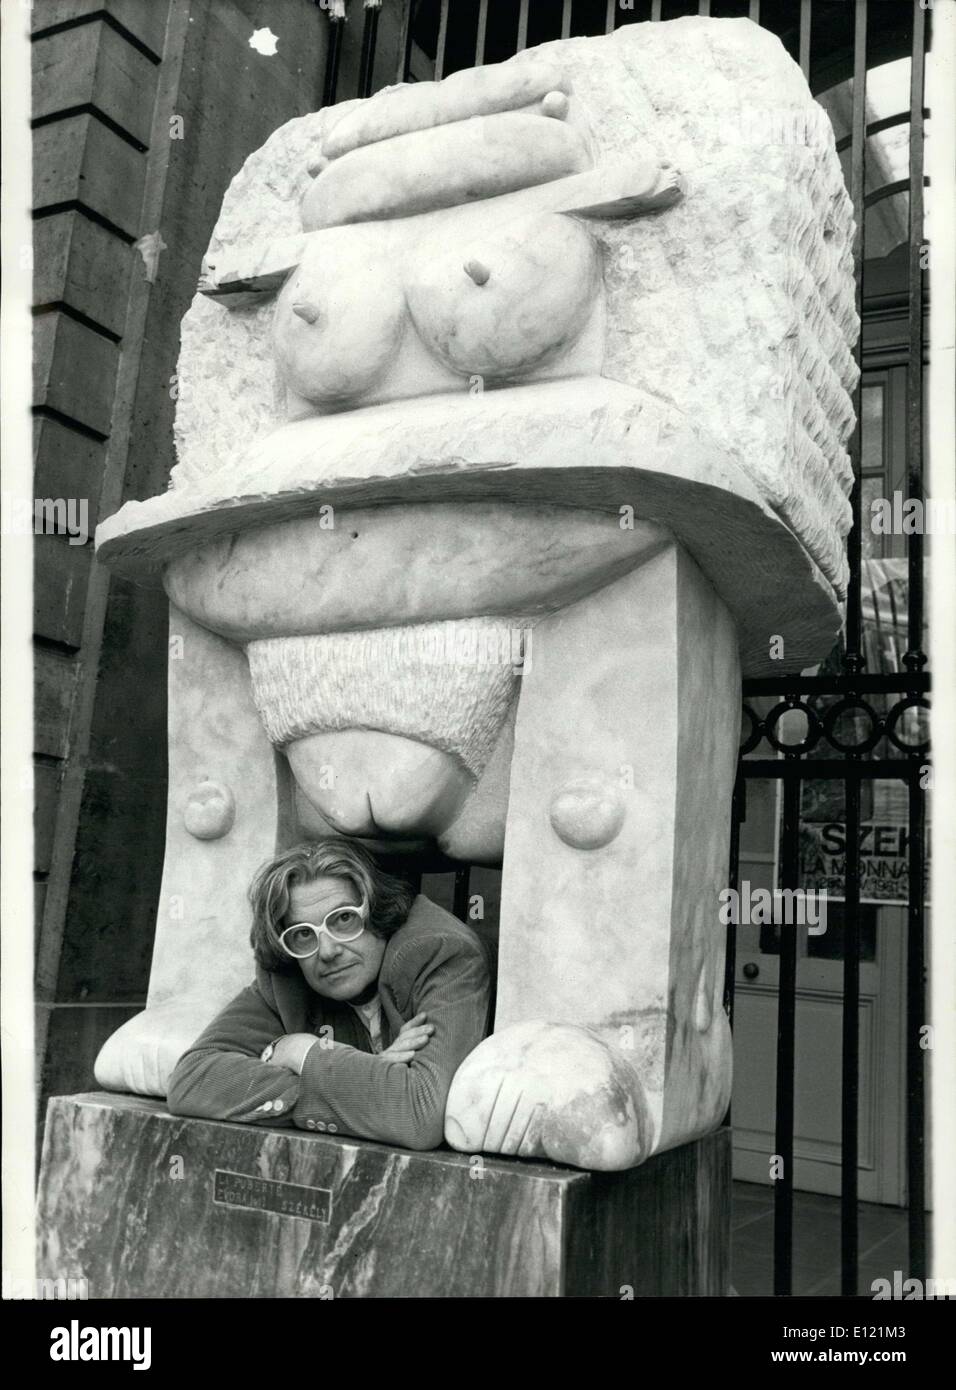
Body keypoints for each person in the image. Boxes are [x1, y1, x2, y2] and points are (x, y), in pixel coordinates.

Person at [167, 838, 494, 1151]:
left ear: (379, 910)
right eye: (303, 935)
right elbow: (192, 1082)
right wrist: (364, 1081)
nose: (327, 950)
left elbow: (418, 1115)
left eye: (343, 919)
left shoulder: (439, 953)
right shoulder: (288, 976)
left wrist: (301, 1051)